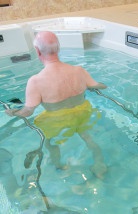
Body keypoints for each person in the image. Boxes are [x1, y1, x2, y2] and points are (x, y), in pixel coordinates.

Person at [6, 31, 108, 179]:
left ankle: (60, 166)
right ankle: (100, 165)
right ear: (58, 48)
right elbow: (99, 86)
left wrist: (13, 112)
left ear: (37, 51)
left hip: (55, 119)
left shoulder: (35, 81)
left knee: (50, 143)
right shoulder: (79, 71)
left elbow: (27, 112)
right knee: (88, 138)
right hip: (83, 111)